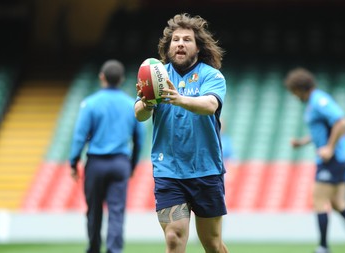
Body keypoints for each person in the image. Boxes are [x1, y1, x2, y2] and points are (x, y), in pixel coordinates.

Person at [134, 13, 229, 253]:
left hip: (206, 170)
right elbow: (139, 114)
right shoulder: (156, 74)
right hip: (169, 171)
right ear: (168, 47)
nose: (180, 43)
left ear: (198, 47)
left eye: (187, 39)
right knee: (174, 238)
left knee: (213, 244)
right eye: (175, 39)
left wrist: (178, 99)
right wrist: (146, 102)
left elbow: (210, 105)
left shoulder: (211, 75)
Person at [284, 67, 345, 253]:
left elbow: (341, 122)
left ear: (300, 88)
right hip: (335, 159)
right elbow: (320, 132)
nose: (294, 96)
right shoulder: (313, 103)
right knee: (338, 203)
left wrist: (330, 148)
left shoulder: (319, 100)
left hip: (332, 160)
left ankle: (323, 247)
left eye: (294, 91)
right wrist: (302, 143)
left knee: (318, 200)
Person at [69, 59, 144, 253]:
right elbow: (140, 138)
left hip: (96, 163)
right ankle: (114, 250)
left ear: (102, 77)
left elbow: (79, 136)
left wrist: (73, 161)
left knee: (94, 211)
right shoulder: (131, 105)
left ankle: (94, 248)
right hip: (120, 163)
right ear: (121, 80)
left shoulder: (90, 103)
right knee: (117, 211)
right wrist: (133, 165)